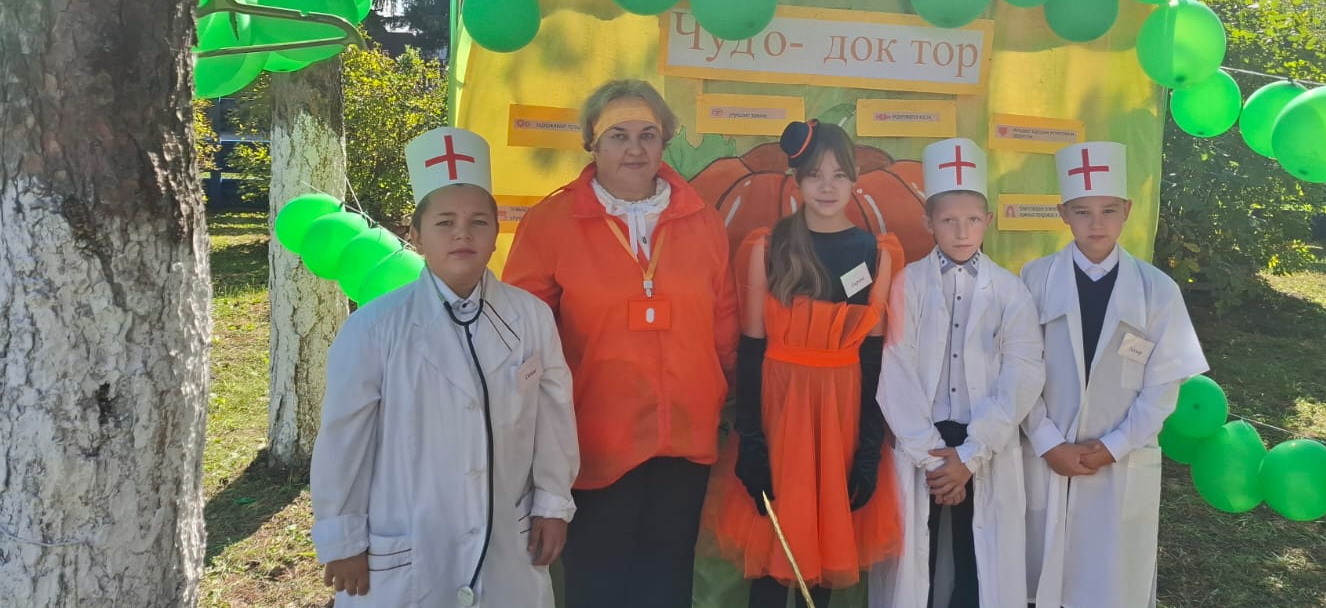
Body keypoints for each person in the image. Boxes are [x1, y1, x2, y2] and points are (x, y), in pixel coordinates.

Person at [311, 126, 579, 608]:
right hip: (408, 544)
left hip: (506, 538)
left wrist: (553, 503)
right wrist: (342, 536)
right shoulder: (373, 329)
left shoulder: (531, 317)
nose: (462, 233)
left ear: (496, 235)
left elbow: (553, 419)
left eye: (479, 221)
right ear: (415, 235)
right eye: (444, 222)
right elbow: (343, 439)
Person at [502, 79, 738, 608]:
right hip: (595, 440)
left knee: (668, 582)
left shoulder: (702, 219)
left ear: (665, 140)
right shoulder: (552, 222)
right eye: (618, 136)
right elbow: (521, 334)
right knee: (600, 585)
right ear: (592, 142)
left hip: (686, 439)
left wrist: (725, 395)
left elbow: (724, 321)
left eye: (647, 135)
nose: (635, 149)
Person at [707, 119, 904, 608]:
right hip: (781, 416)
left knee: (826, 545)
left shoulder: (876, 254)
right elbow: (751, 348)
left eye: (839, 175)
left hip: (841, 417)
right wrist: (751, 439)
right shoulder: (769, 248)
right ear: (796, 180)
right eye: (815, 174)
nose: (827, 187)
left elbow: (874, 356)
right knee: (773, 549)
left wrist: (869, 446)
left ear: (854, 179)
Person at [1019, 141, 1208, 608]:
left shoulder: (1156, 290)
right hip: (1048, 453)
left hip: (1121, 459)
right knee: (1039, 576)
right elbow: (1017, 372)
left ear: (1127, 210)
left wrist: (1114, 446)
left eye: (1108, 210)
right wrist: (1047, 441)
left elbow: (1163, 386)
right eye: (1082, 212)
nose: (1096, 224)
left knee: (1109, 582)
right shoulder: (1033, 280)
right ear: (1063, 214)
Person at [873, 138, 1045, 608]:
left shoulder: (1010, 291)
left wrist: (971, 455)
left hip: (982, 437)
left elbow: (1022, 372)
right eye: (949, 220)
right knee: (918, 556)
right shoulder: (908, 283)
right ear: (928, 221)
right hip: (923, 439)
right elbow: (895, 366)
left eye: (972, 219)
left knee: (978, 555)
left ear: (988, 220)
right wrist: (932, 458)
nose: (962, 231)